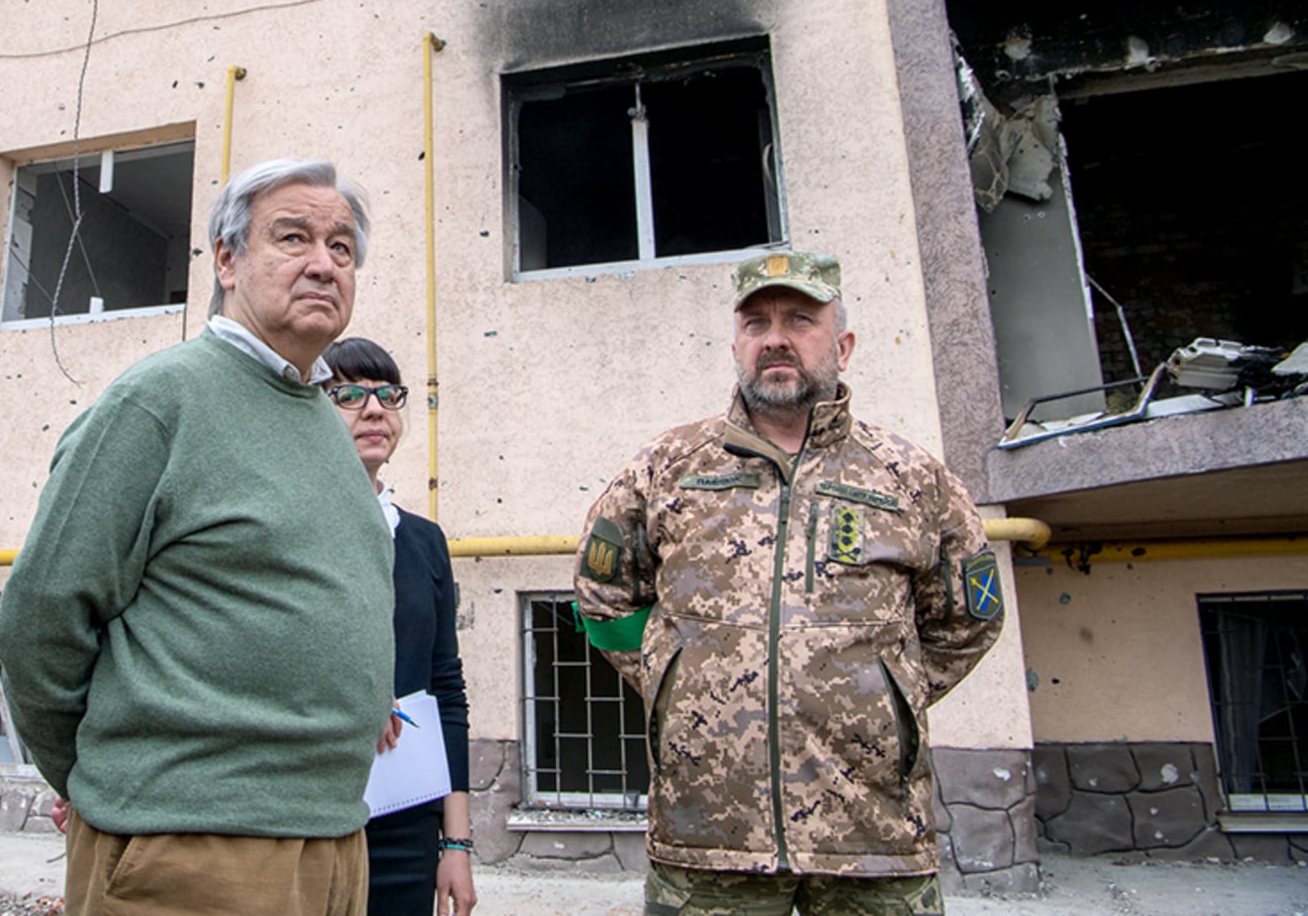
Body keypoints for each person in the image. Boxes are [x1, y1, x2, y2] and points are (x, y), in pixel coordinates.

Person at [0, 158, 395, 916]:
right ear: (227, 259)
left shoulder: (323, 422)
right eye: (293, 237)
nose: (323, 263)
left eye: (342, 248)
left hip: (333, 839)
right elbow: (41, 620)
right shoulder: (159, 401)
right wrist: (98, 779)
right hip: (188, 847)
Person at [574, 250, 1004, 916]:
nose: (775, 338)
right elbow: (603, 598)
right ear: (737, 344)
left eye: (800, 319)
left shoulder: (914, 480)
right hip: (710, 835)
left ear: (844, 344)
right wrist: (677, 682)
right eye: (756, 323)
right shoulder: (666, 469)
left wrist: (890, 697)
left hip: (872, 835)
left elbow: (967, 622)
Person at [321, 337, 477, 916]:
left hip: (404, 821)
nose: (374, 409)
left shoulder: (423, 541)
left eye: (388, 394)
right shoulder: (286, 532)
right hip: (305, 812)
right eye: (349, 394)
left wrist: (455, 842)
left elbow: (447, 690)